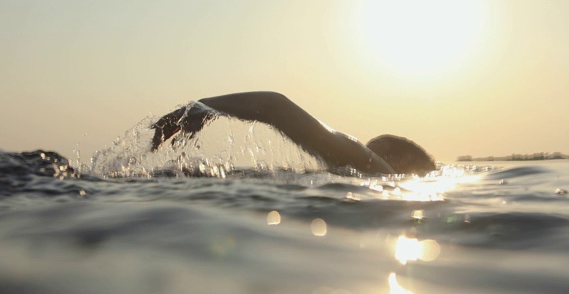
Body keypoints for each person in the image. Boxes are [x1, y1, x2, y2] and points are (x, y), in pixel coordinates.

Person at [151, 91, 436, 175]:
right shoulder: (371, 178)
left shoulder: (379, 171)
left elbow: (273, 105)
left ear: (404, 165)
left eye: (371, 149)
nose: (363, 151)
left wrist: (200, 108)